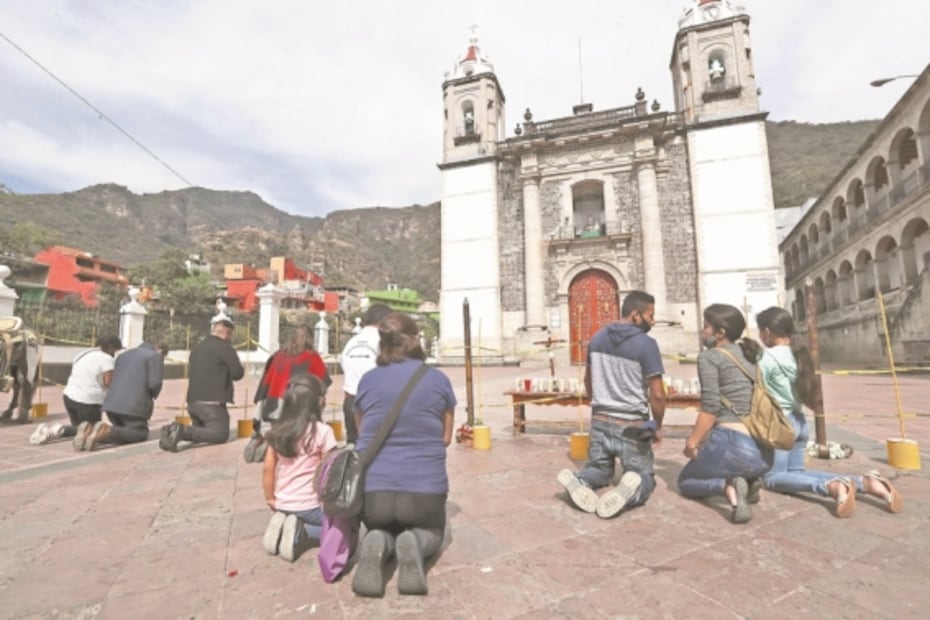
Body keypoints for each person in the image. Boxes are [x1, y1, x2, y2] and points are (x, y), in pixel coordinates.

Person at [756, 306, 903, 517]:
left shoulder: (767, 358)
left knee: (771, 478)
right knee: (795, 474)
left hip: (779, 424)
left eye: (761, 331)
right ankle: (867, 483)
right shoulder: (801, 355)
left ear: (767, 331)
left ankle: (832, 486)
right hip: (799, 422)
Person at [351, 312, 456, 598]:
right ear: (415, 340)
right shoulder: (438, 380)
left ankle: (378, 539)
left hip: (375, 496)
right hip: (424, 493)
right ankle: (417, 541)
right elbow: (445, 438)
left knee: (382, 525)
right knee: (434, 530)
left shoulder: (368, 381)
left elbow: (362, 435)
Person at [556, 290, 665, 519]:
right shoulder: (646, 344)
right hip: (632, 424)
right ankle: (629, 492)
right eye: (650, 315)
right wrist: (658, 424)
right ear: (636, 315)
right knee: (643, 474)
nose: (653, 321)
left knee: (599, 470)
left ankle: (580, 480)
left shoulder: (596, 338)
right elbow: (657, 393)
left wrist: (597, 405)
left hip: (600, 419)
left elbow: (588, 379)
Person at [678, 303, 772, 524]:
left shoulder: (709, 357)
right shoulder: (751, 353)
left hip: (735, 445)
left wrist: (692, 443)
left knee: (685, 481)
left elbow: (710, 407)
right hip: (765, 452)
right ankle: (748, 481)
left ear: (720, 333)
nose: (703, 331)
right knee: (724, 460)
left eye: (706, 326)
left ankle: (727, 487)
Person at [261, 372, 338, 562]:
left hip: (282, 503)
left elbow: (268, 468)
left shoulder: (276, 431)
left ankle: (284, 525)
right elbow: (328, 472)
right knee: (343, 529)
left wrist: (270, 498)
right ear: (318, 403)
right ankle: (301, 532)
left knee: (297, 515)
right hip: (311, 506)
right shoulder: (323, 432)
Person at [244, 325, 332, 462]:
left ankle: (265, 440)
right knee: (295, 432)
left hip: (272, 403)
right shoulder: (311, 357)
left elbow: (266, 380)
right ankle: (273, 444)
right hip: (294, 404)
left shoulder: (278, 355)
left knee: (279, 429)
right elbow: (322, 383)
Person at [159, 315, 244, 451]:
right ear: (226, 333)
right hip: (212, 403)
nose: (231, 338)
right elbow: (237, 373)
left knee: (200, 432)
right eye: (230, 335)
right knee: (220, 434)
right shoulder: (224, 347)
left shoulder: (197, 347)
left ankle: (174, 433)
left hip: (192, 402)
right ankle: (182, 431)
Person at [30, 335, 122, 447]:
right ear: (110, 347)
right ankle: (55, 430)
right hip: (88, 401)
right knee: (93, 430)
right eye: (115, 350)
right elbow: (108, 382)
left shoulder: (82, 354)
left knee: (80, 430)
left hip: (69, 397)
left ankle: (56, 432)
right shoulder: (106, 359)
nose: (115, 354)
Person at [76, 342, 168, 451]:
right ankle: (104, 431)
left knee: (122, 432)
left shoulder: (123, 355)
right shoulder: (155, 356)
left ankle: (90, 431)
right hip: (133, 406)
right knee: (139, 433)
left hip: (111, 405)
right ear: (160, 350)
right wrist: (152, 395)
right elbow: (155, 383)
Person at [339, 303, 391, 445]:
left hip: (350, 402)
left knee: (354, 448)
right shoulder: (384, 342)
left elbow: (344, 367)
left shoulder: (350, 343)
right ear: (385, 322)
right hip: (374, 403)